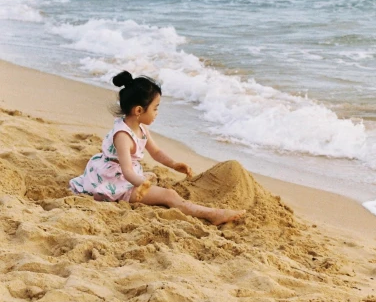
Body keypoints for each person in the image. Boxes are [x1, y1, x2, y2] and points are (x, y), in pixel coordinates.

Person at [69, 70, 245, 225]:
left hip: (125, 174)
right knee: (169, 195)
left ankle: (146, 182)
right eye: (155, 108)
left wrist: (174, 164)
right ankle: (212, 214)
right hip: (115, 180)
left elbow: (156, 152)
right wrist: (142, 185)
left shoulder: (141, 128)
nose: (157, 113)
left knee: (154, 181)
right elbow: (127, 171)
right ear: (139, 111)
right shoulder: (123, 136)